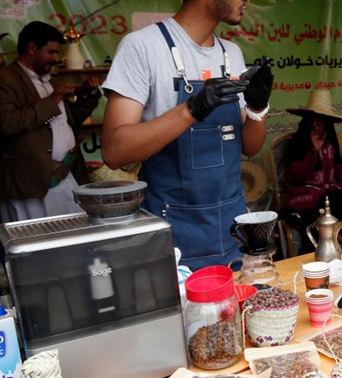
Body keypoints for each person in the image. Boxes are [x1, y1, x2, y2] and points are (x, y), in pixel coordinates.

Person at [102, 0, 273, 270]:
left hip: (231, 226)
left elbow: (250, 147)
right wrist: (191, 109)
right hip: (172, 230)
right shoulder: (142, 47)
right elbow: (113, 150)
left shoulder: (232, 53)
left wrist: (257, 108)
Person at [0, 21, 103, 223]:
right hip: (30, 183)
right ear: (32, 48)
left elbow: (70, 120)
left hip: (66, 175)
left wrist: (90, 96)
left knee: (73, 240)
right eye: (51, 52)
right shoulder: (3, 78)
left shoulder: (51, 81)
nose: (56, 59)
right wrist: (52, 100)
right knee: (37, 246)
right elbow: (7, 122)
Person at [279, 89, 342, 252]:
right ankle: (315, 250)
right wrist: (313, 151)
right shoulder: (298, 142)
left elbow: (338, 164)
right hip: (303, 196)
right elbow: (298, 177)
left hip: (327, 195)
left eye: (322, 120)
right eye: (314, 119)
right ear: (307, 120)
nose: (318, 124)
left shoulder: (330, 140)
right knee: (333, 200)